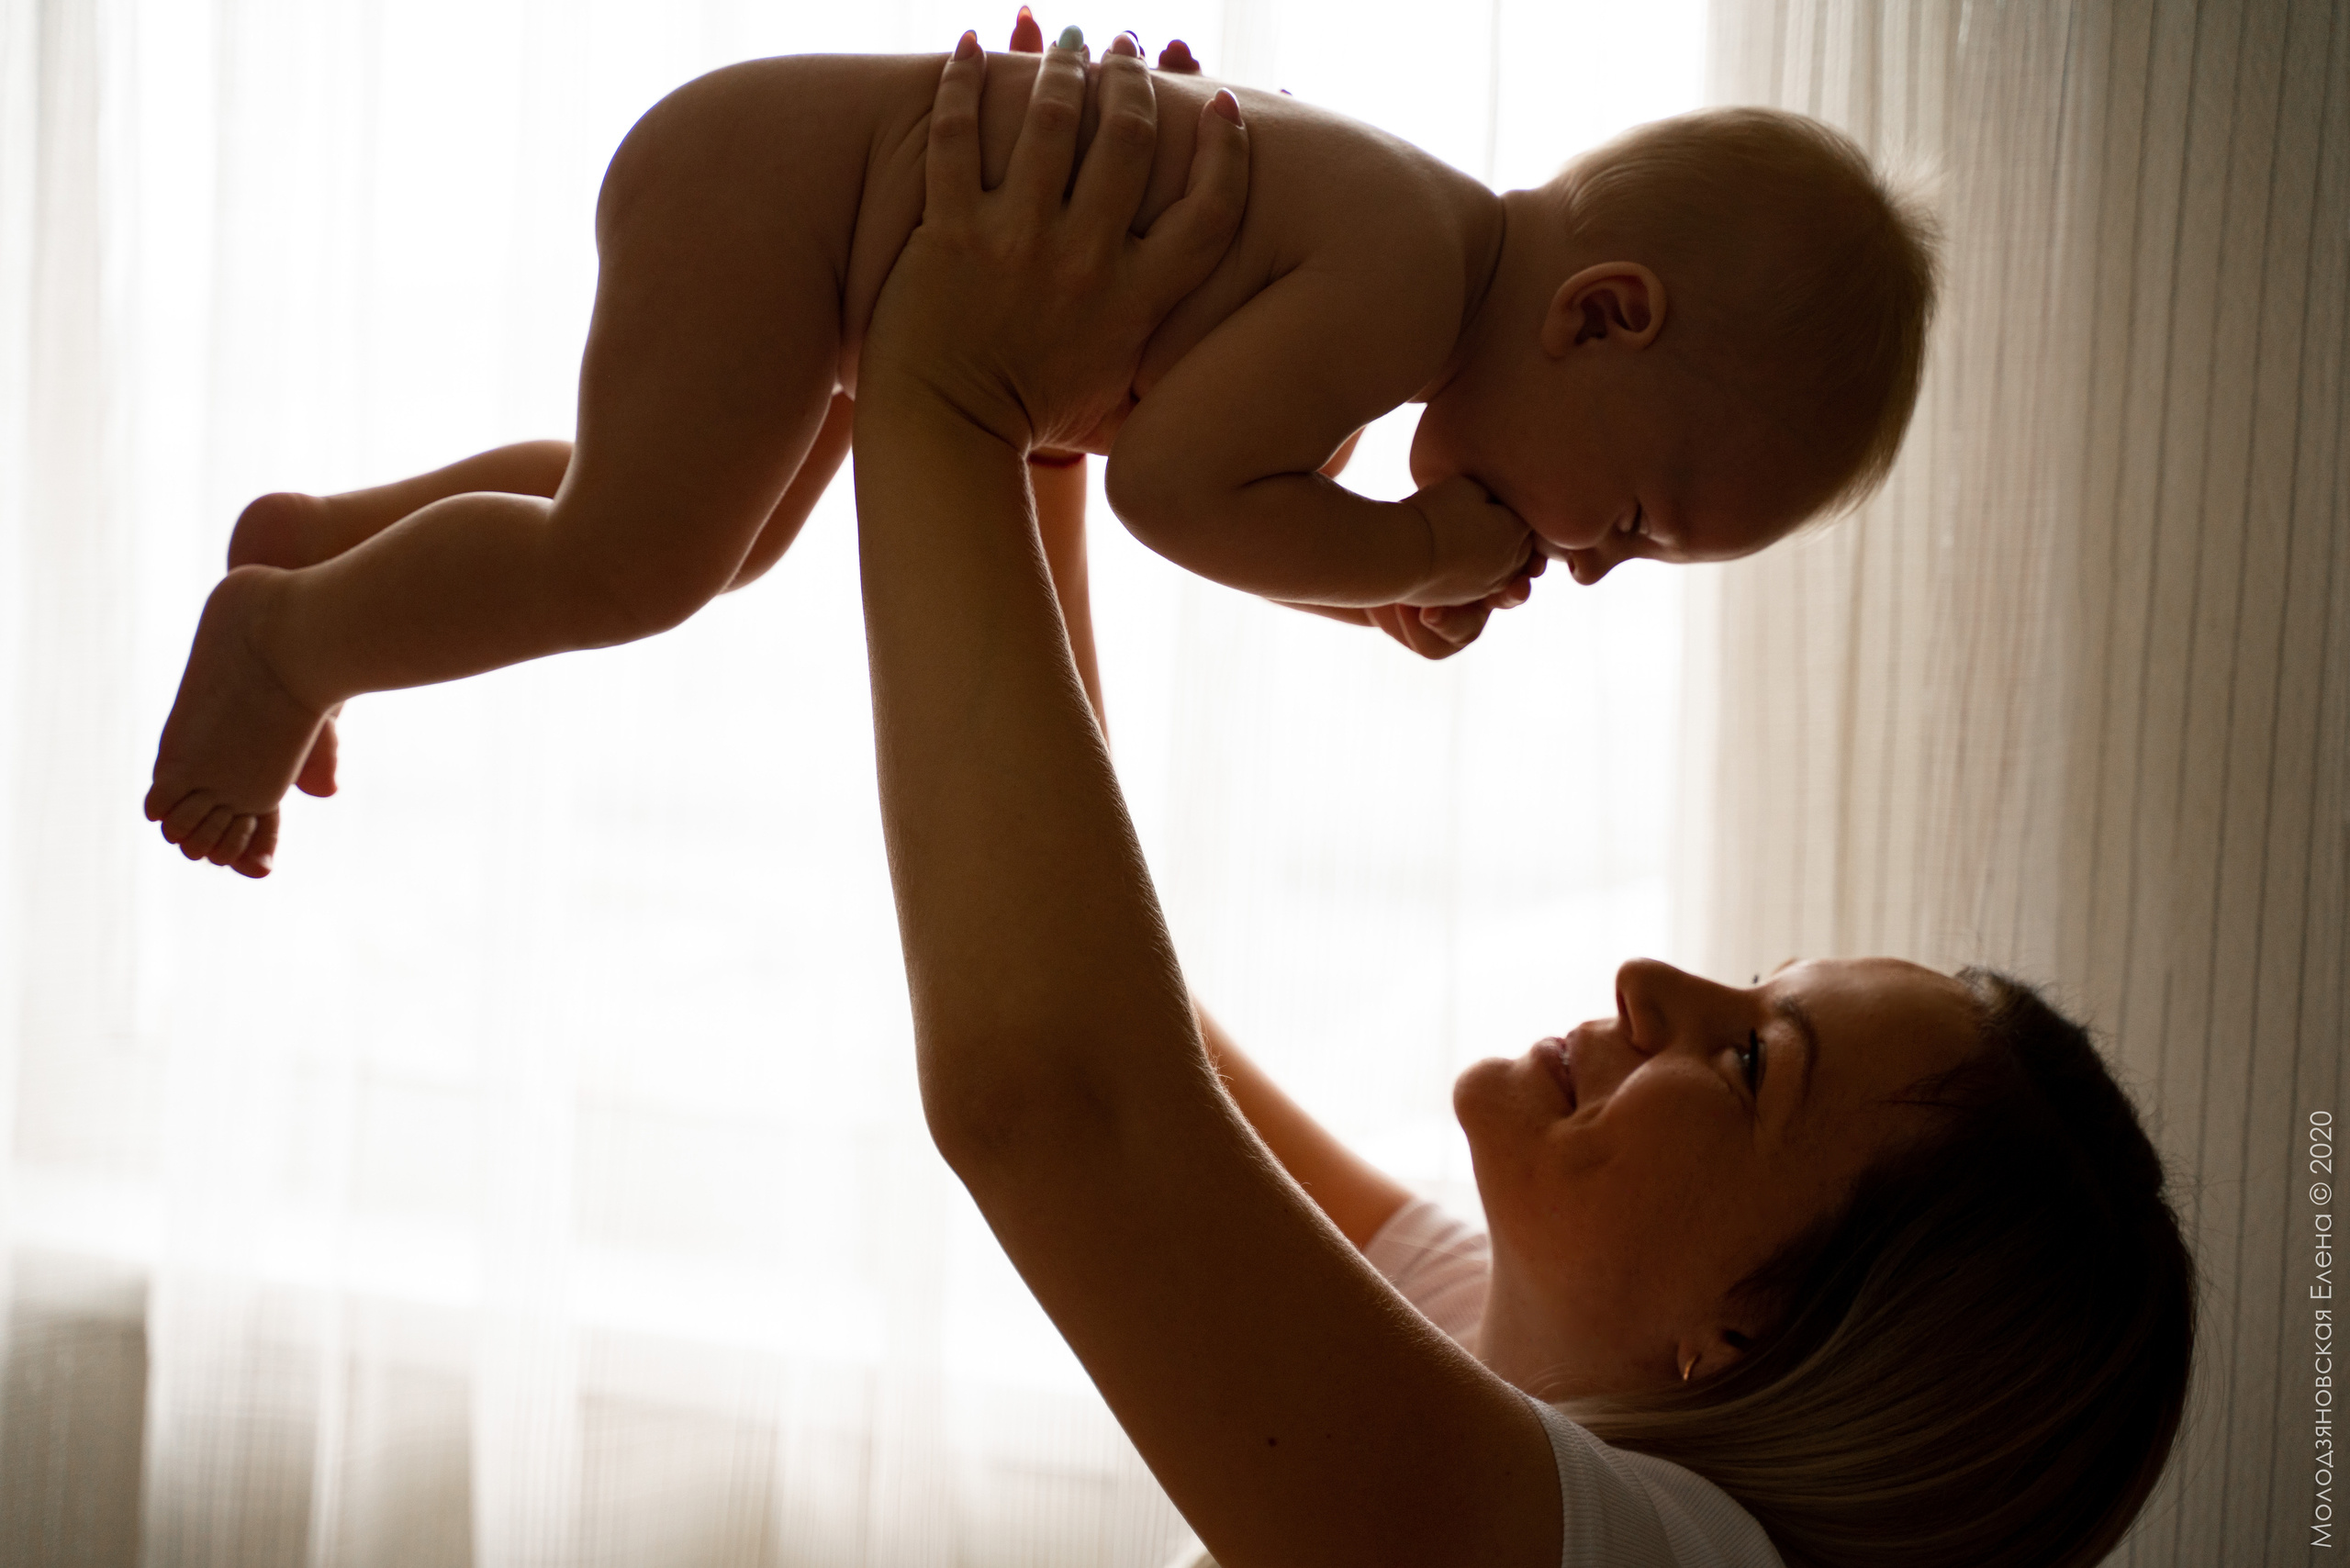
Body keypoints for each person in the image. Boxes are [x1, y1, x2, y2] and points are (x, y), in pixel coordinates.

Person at [852, 33, 2191, 1568]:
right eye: (1746, 990)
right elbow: (1157, 1065)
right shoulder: (1507, 1336)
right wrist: (1052, 445)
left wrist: (951, 379)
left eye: (1758, 1060)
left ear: (1745, 1340)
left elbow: (1066, 1106)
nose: (1652, 979)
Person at [143, 11, 1939, 878]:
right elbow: (1171, 493)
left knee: (721, 524)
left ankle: (329, 540)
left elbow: (1193, 457)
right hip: (781, 209)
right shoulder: (1398, 279)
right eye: (1630, 517)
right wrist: (1398, 554)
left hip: (795, 205)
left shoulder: (1418, 246)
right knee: (637, 562)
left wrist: (1366, 585)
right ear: (1599, 314)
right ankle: (283, 640)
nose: (1590, 559)